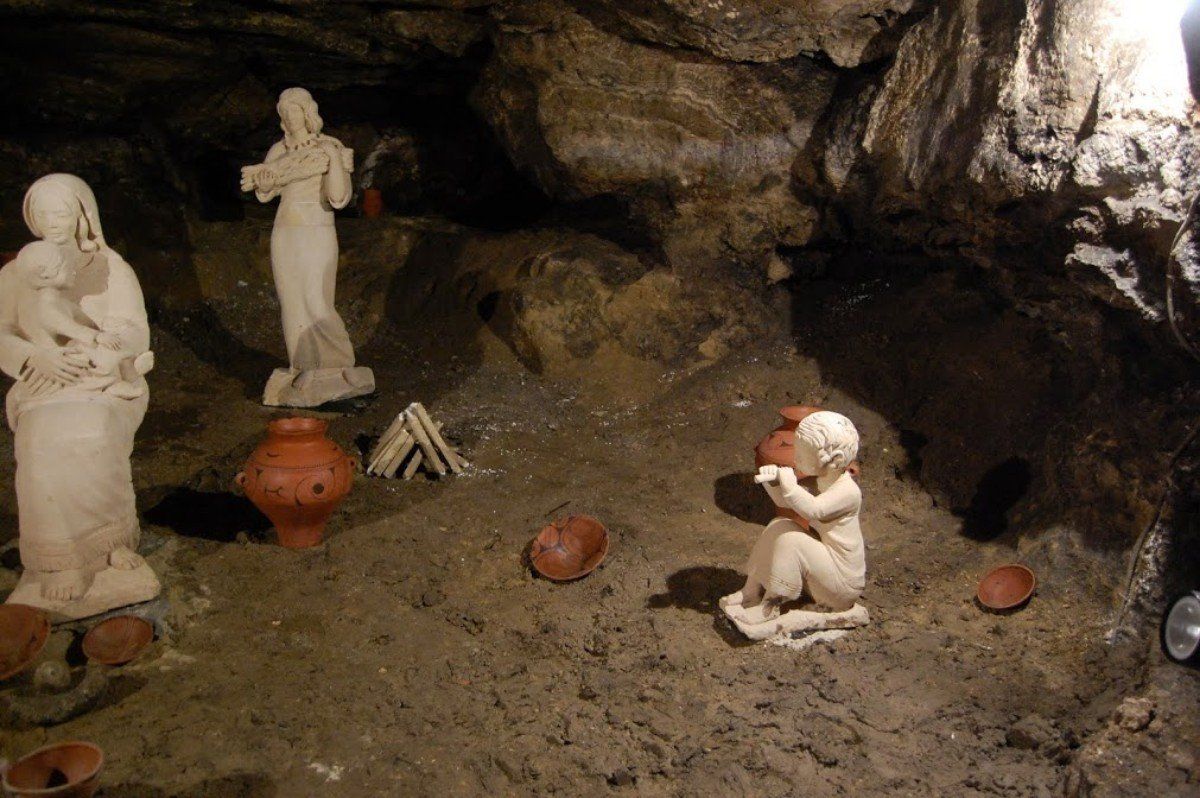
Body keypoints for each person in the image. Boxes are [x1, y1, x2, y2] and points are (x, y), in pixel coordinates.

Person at [0, 174, 156, 606]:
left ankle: (110, 545)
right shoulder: (17, 272)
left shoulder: (110, 267)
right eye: (43, 212)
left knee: (93, 430)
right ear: (31, 217)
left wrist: (106, 354)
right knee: (41, 441)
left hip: (106, 382)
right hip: (44, 384)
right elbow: (2, 333)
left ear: (83, 216)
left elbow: (133, 330)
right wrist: (35, 358)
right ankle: (61, 560)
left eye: (62, 212)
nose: (53, 221)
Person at [240, 86, 374, 407]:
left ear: (307, 112)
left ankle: (337, 365)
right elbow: (264, 192)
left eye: (295, 110)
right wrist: (266, 182)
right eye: (284, 112)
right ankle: (302, 366)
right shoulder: (279, 149)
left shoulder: (330, 146)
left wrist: (332, 160)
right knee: (292, 301)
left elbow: (338, 198)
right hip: (285, 231)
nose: (290, 116)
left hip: (317, 230)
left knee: (316, 299)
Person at [720, 410, 869, 640]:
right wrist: (773, 483)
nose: (796, 458)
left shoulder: (848, 492)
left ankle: (769, 607)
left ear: (835, 458)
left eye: (803, 454)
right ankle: (751, 591)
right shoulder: (820, 480)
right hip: (824, 573)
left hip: (842, 585)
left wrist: (789, 485)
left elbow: (813, 509)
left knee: (792, 541)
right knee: (780, 524)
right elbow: (784, 502)